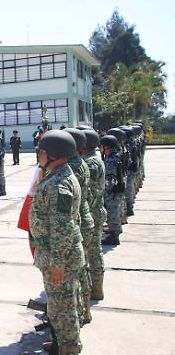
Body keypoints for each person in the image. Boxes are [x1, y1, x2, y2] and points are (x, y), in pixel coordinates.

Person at [29, 129, 84, 355]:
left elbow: (63, 228)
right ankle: (65, 351)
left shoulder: (59, 184)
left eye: (40, 151)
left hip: (59, 259)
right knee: (61, 309)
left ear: (52, 154)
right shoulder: (58, 176)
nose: (38, 155)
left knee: (63, 312)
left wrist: (57, 264)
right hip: (58, 256)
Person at [63, 128, 95, 325]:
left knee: (76, 274)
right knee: (82, 269)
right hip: (84, 216)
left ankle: (80, 311)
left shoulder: (72, 167)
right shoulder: (81, 163)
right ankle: (85, 308)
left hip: (77, 221)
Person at [81, 129, 106, 301]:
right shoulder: (92, 160)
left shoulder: (90, 163)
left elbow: (88, 193)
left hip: (91, 212)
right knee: (94, 252)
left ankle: (95, 288)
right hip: (96, 210)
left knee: (92, 253)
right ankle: (96, 288)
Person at [101, 135, 123, 246]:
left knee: (112, 213)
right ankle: (115, 231)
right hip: (117, 189)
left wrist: (105, 192)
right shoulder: (116, 156)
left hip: (112, 191)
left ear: (107, 147)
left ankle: (114, 237)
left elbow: (109, 179)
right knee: (115, 211)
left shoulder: (110, 160)